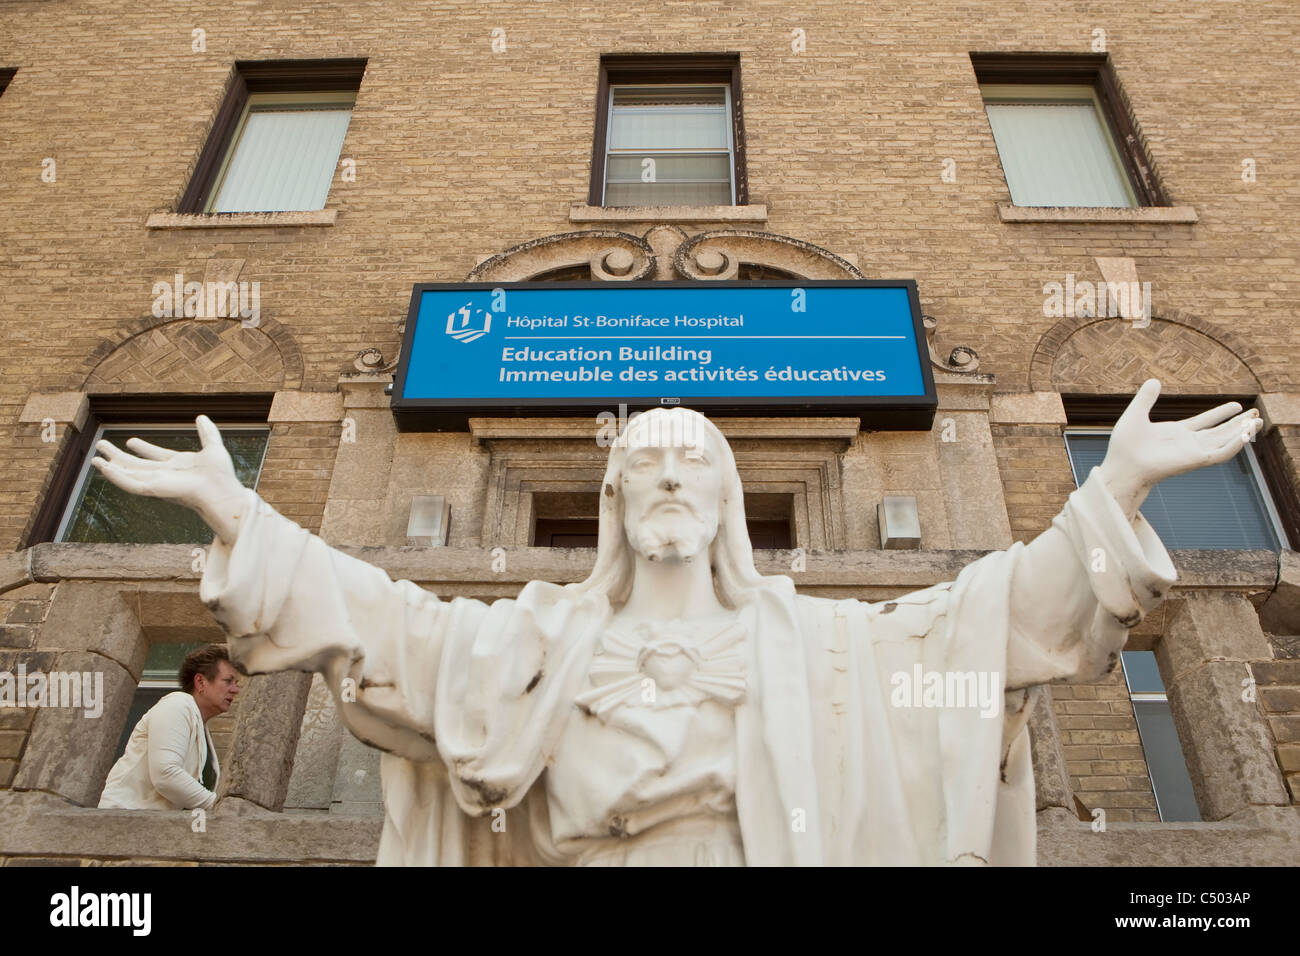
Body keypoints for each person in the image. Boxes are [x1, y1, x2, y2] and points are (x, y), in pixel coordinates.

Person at [89, 380, 1259, 864]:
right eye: (639, 465)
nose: (663, 481)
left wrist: (1110, 497)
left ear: (723, 505)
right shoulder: (530, 639)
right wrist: (241, 513)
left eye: (688, 467)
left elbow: (990, 629)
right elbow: (379, 625)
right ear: (609, 502)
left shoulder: (816, 644)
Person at [98, 644, 238, 811]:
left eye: (236, 683)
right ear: (200, 682)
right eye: (228, 681)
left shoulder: (201, 728)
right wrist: (220, 807)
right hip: (123, 823)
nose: (235, 690)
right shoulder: (177, 704)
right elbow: (165, 773)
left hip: (155, 828)